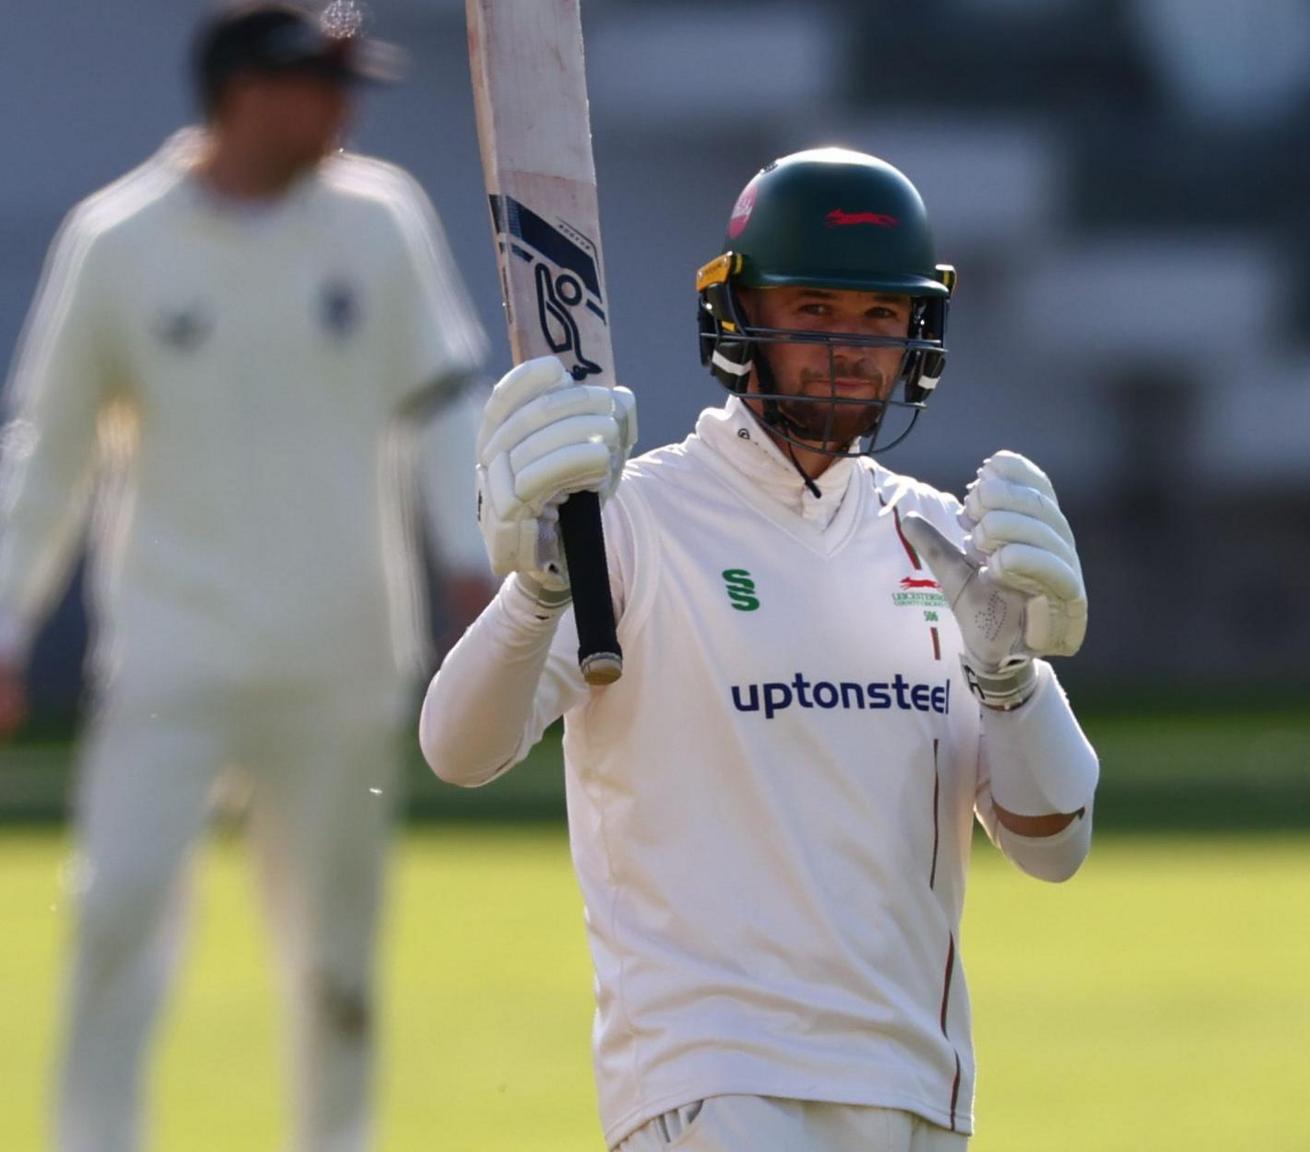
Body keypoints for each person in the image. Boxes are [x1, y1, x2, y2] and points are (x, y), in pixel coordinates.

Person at [420, 147, 1098, 1152]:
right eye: (813, 311)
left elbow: (1054, 846)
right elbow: (456, 749)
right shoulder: (633, 519)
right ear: (740, 317)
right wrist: (536, 593)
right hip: (712, 1083)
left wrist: (1010, 676)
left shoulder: (942, 540)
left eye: (878, 318)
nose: (847, 349)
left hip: (916, 1089)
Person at [0, 5, 494, 1149]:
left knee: (335, 956)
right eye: (322, 84)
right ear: (246, 93)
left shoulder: (379, 222)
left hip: (341, 656)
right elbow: (51, 449)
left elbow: (438, 405)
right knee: (117, 915)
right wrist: (8, 623)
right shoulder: (118, 241)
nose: (345, 108)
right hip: (172, 653)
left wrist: (470, 558)